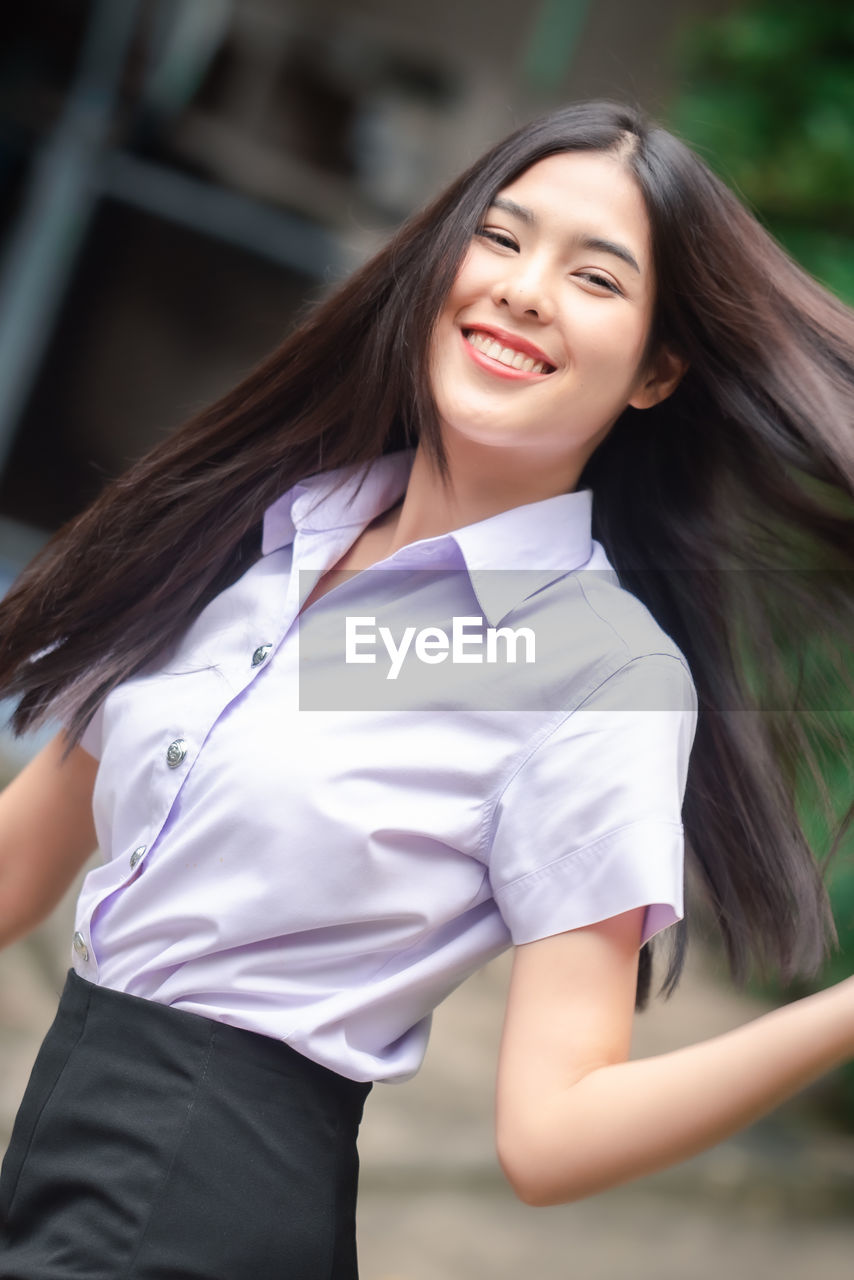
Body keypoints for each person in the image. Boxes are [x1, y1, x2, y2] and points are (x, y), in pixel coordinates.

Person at [0, 99, 853, 1278]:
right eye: (499, 238)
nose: (523, 287)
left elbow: (550, 1132)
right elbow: (14, 869)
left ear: (656, 369)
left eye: (595, 278)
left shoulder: (596, 670)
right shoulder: (260, 532)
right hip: (52, 1168)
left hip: (202, 1219)